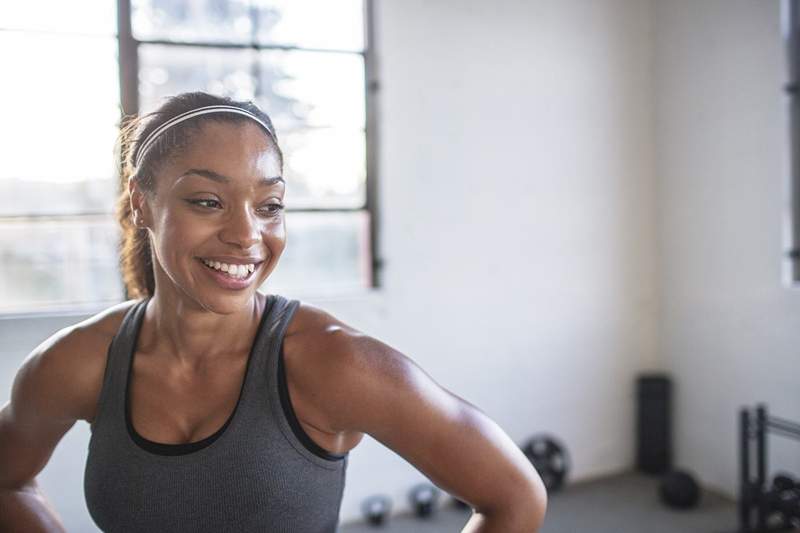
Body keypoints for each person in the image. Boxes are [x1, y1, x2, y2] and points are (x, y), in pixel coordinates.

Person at [0, 92, 547, 532]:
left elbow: (514, 498)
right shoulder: (80, 362)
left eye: (269, 206)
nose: (246, 235)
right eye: (207, 201)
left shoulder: (335, 362)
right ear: (142, 201)